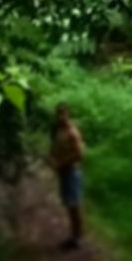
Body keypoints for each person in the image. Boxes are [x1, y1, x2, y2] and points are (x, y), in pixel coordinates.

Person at [47, 103, 87, 250]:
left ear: (68, 114)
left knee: (74, 205)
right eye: (58, 113)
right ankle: (74, 235)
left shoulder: (72, 133)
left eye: (63, 113)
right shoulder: (58, 131)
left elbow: (80, 154)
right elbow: (54, 148)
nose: (60, 117)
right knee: (69, 204)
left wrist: (62, 163)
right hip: (63, 171)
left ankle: (78, 237)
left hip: (71, 171)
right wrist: (51, 159)